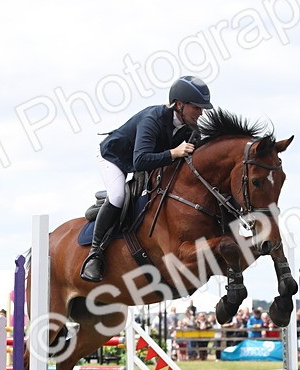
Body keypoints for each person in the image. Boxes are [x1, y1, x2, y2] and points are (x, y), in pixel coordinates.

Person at [80, 76, 213, 283]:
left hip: (144, 160)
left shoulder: (190, 128)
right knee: (118, 195)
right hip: (114, 157)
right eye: (196, 107)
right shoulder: (152, 119)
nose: (201, 112)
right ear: (179, 104)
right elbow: (140, 160)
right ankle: (95, 253)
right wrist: (173, 153)